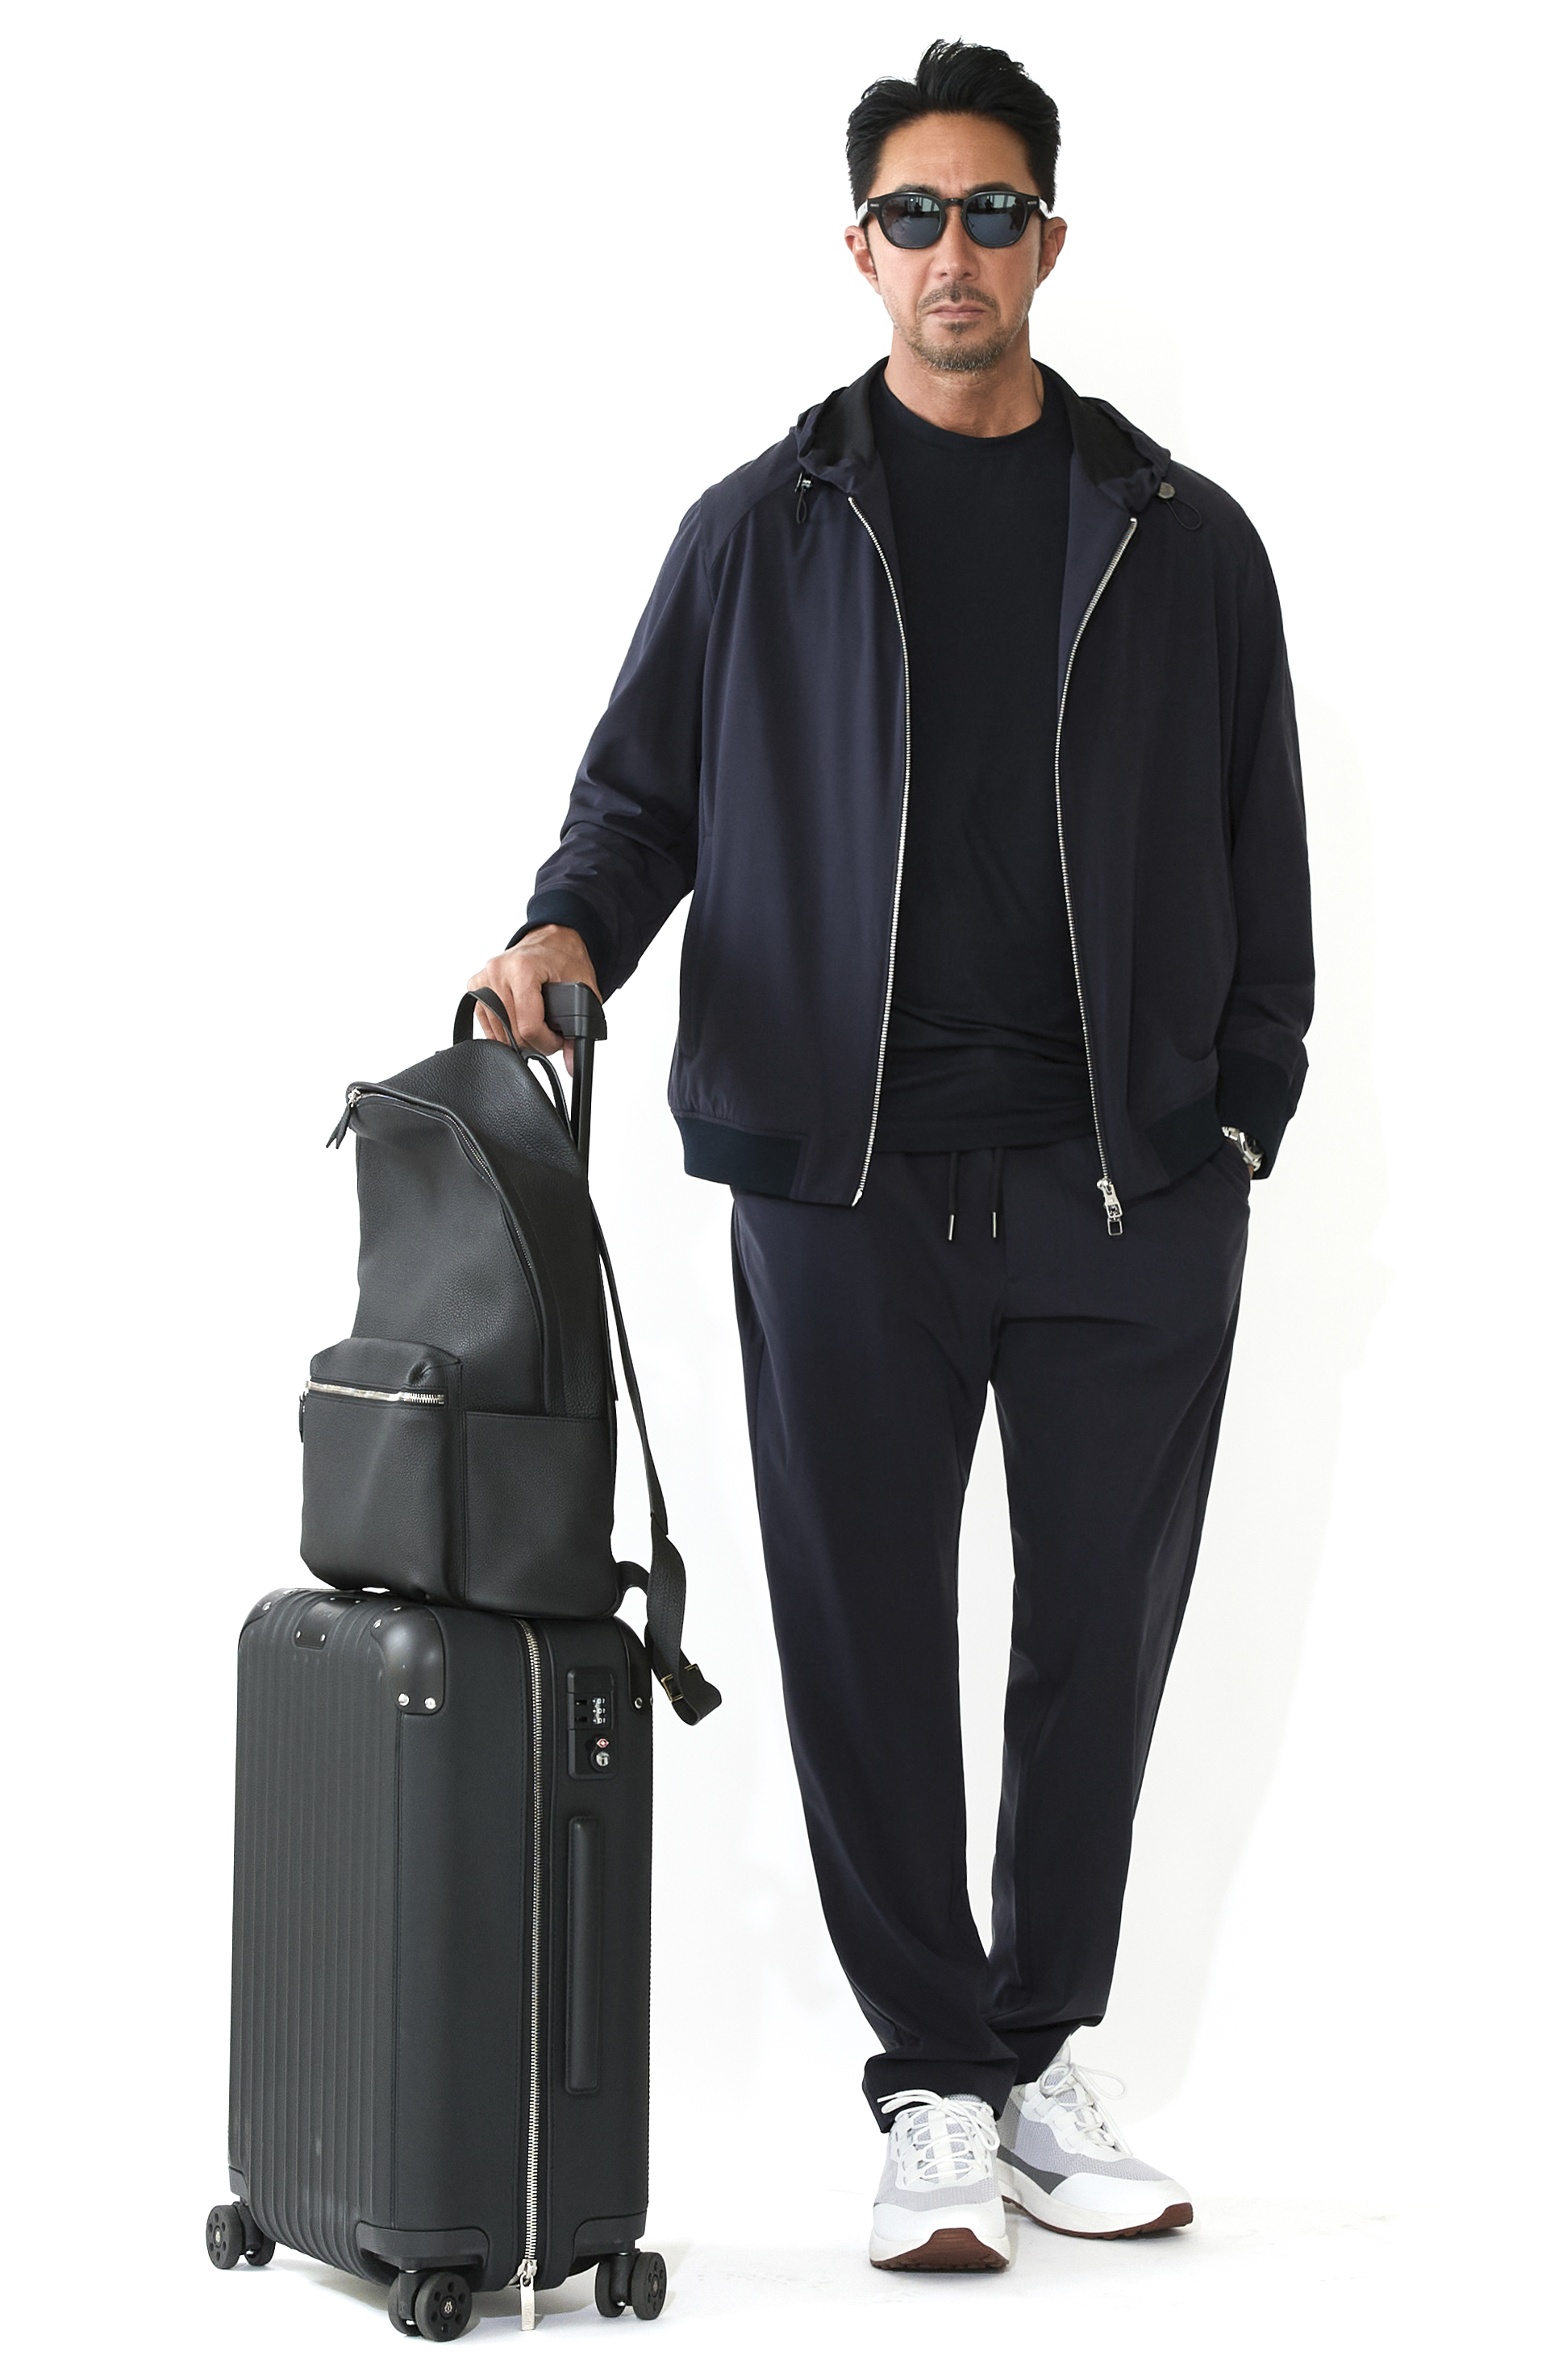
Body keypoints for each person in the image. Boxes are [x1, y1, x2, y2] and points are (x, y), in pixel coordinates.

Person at [470, 40, 1313, 2274]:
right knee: (862, 1636)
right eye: (917, 214)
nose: (957, 251)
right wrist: (561, 936)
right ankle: (931, 2081)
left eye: (994, 211)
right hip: (841, 1188)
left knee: (1101, 1636)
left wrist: (1240, 1113)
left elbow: (1268, 852)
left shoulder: (1181, 540)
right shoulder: (761, 530)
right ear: (862, 247)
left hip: (1128, 1188)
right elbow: (637, 806)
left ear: (1050, 239)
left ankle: (1035, 2060)